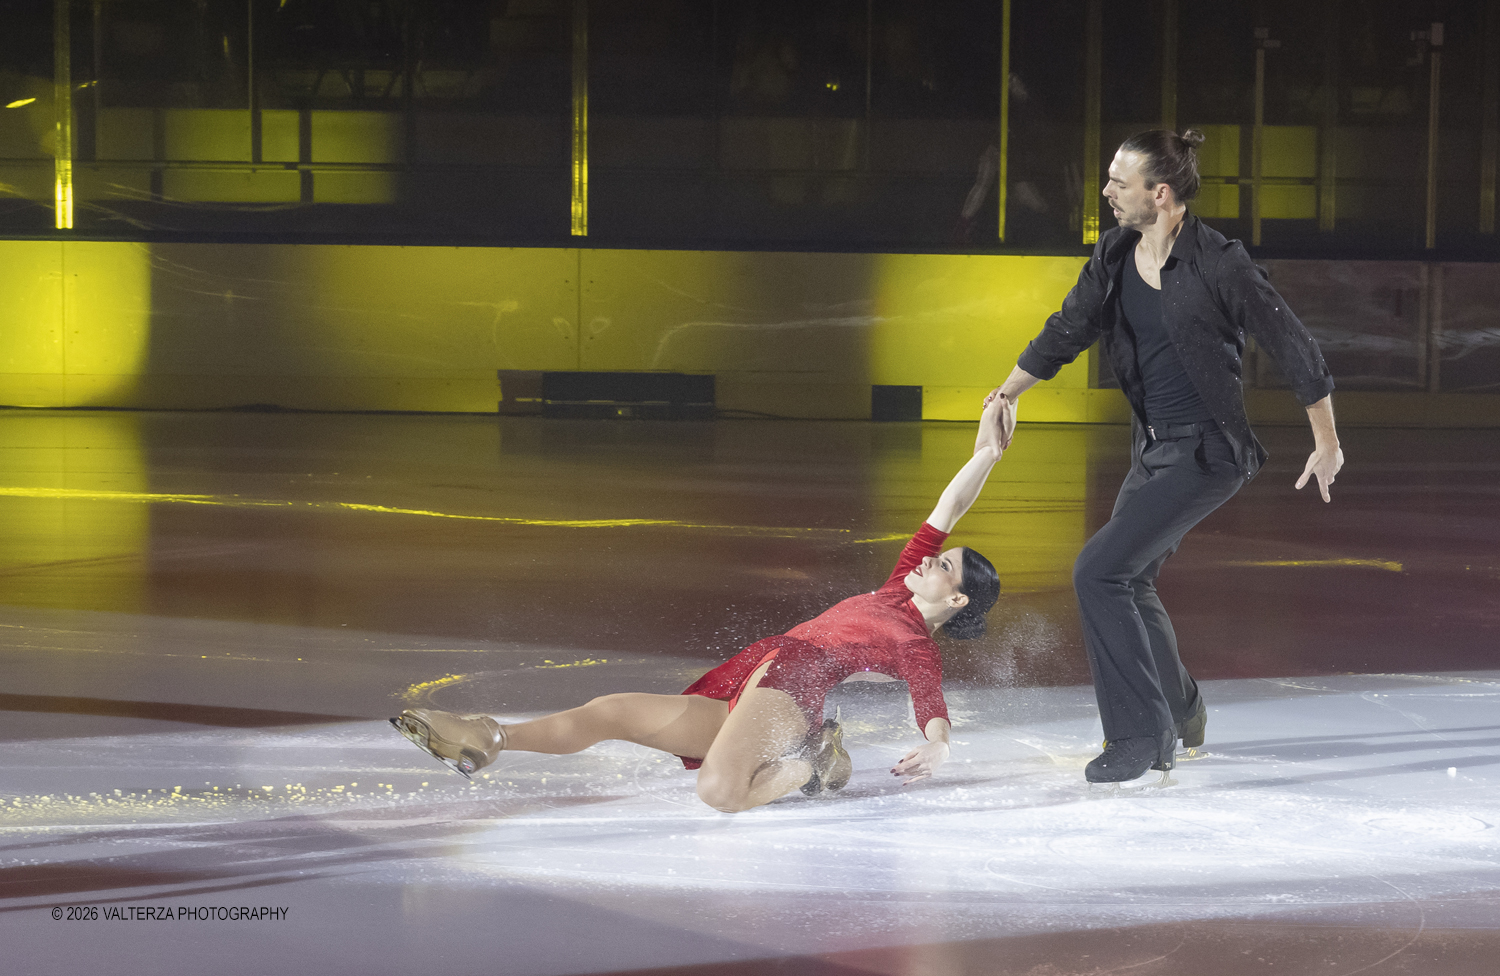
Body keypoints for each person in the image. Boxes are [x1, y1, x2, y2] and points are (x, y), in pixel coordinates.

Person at [392, 398, 1008, 813]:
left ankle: (809, 762)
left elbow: (931, 704)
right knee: (610, 711)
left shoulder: (915, 644)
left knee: (720, 791)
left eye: (944, 565)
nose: (930, 557)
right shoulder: (897, 586)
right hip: (756, 673)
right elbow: (947, 508)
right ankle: (490, 737)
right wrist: (987, 454)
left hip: (793, 685)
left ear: (955, 598)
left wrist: (940, 745)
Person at [985, 129, 1343, 784]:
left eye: (1118, 182)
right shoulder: (1117, 253)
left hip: (1208, 451)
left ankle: (1141, 739)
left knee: (1099, 572)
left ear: (1161, 194)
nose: (1105, 191)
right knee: (1131, 577)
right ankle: (1182, 710)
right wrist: (1006, 393)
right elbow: (1070, 325)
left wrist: (1327, 440)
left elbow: (1291, 343)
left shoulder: (1220, 264)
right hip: (1152, 450)